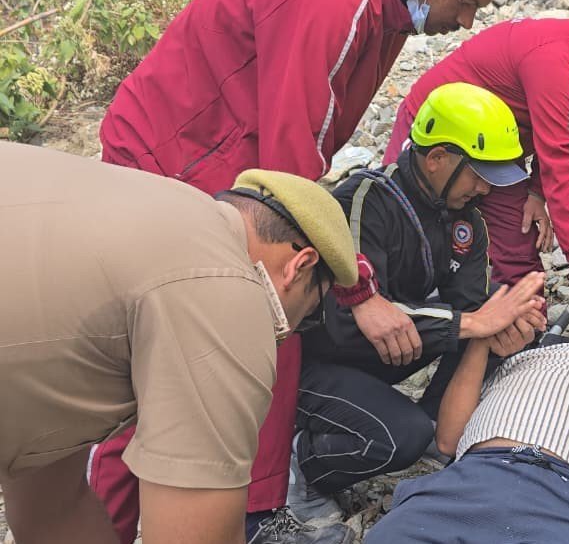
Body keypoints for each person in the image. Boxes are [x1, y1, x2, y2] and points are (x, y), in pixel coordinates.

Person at [91, 0, 522, 544]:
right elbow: (292, 177)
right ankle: (104, 517)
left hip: (234, 165)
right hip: (170, 165)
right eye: (464, 2)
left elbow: (307, 151)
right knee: (169, 359)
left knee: (272, 332)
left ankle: (255, 510)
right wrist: (360, 293)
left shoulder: (385, 14)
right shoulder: (335, 2)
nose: (465, 22)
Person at [0, 141, 357, 544]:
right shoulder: (224, 289)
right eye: (310, 314)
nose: (290, 334)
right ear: (300, 266)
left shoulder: (148, 214)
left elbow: (54, 509)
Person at [263, 83, 548, 543]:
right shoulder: (365, 199)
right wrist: (472, 323)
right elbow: (344, 320)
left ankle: (437, 426)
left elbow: (470, 307)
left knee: (495, 314)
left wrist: (508, 325)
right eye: (479, 174)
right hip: (319, 359)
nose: (484, 188)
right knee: (399, 436)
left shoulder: (466, 220)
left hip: (386, 353)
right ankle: (301, 462)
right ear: (436, 158)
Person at [383, 0, 569, 319]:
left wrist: (537, 193)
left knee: (519, 245)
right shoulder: (559, 60)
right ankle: (393, 317)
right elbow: (561, 156)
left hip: (495, 148)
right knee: (404, 228)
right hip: (437, 132)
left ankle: (526, 334)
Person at [363, 306, 569, 544]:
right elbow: (449, 440)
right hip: (466, 481)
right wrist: (481, 343)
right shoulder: (525, 356)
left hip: (559, 495)